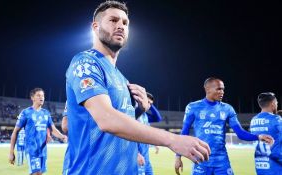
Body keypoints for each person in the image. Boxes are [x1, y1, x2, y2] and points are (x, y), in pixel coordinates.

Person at [64, 1, 210, 174]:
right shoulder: (86, 62)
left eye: (125, 23)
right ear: (95, 27)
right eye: (113, 20)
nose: (120, 26)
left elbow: (122, 125)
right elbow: (106, 120)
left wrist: (139, 110)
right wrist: (172, 140)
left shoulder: (122, 78)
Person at [174, 77, 273, 175]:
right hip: (200, 160)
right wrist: (178, 156)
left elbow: (240, 133)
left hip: (221, 162)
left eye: (223, 89)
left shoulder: (227, 109)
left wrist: (258, 137)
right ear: (207, 89)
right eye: (218, 89)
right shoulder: (193, 107)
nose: (222, 92)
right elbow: (184, 132)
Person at [9, 88, 67, 175]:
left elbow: (53, 129)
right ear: (32, 98)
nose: (42, 97)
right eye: (39, 95)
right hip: (31, 150)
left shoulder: (46, 113)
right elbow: (15, 132)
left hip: (43, 151)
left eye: (43, 95)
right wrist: (11, 152)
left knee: (38, 173)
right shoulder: (26, 113)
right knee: (37, 173)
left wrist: (62, 136)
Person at [250, 92, 282, 175]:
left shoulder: (253, 120)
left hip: (260, 166)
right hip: (276, 167)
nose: (277, 105)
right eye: (277, 103)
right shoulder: (276, 119)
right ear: (273, 104)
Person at [137, 92, 162, 175]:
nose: (149, 105)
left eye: (151, 104)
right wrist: (136, 154)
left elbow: (158, 118)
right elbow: (125, 135)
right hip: (138, 157)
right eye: (147, 102)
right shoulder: (133, 114)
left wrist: (149, 104)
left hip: (146, 157)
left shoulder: (145, 116)